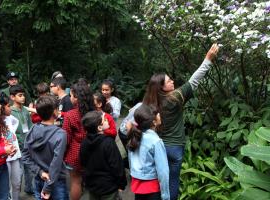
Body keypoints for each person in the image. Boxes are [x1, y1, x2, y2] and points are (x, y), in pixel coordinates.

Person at [120, 44, 219, 200]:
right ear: (161, 87)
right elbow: (194, 81)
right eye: (168, 81)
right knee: (172, 182)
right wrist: (208, 59)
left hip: (155, 146)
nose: (172, 81)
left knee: (156, 181)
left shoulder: (145, 105)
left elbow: (126, 126)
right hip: (174, 148)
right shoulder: (175, 98)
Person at [22, 95, 69, 200]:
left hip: (39, 178)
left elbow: (25, 155)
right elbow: (56, 164)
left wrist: (39, 171)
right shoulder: (60, 134)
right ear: (54, 111)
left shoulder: (33, 129)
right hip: (55, 182)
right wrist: (48, 187)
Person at [80, 111, 127, 200]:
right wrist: (121, 183)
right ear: (100, 127)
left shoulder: (84, 142)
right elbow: (117, 165)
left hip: (92, 185)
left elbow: (83, 162)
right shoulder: (108, 142)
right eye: (104, 120)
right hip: (109, 187)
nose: (107, 120)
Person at [127, 104, 169, 200]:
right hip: (152, 189)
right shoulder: (156, 142)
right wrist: (165, 196)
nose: (159, 115)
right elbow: (163, 172)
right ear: (154, 122)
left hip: (137, 187)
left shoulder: (134, 136)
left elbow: (131, 162)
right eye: (158, 114)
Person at [62, 83, 95, 200]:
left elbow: (66, 138)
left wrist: (63, 154)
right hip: (93, 150)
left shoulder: (71, 115)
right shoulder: (95, 113)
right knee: (93, 181)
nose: (70, 98)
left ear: (76, 98)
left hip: (76, 153)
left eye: (71, 95)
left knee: (76, 182)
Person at [9, 84, 35, 195]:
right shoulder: (9, 112)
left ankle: (29, 188)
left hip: (27, 145)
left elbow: (30, 126)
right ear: (12, 97)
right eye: (20, 95)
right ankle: (15, 195)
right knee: (17, 173)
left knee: (29, 169)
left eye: (23, 95)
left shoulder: (25, 110)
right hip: (16, 147)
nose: (23, 97)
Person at [0, 93, 22, 200]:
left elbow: (16, 122)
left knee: (17, 183)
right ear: (0, 107)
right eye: (8, 105)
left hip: (15, 155)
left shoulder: (10, 118)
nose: (10, 107)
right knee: (5, 185)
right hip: (4, 158)